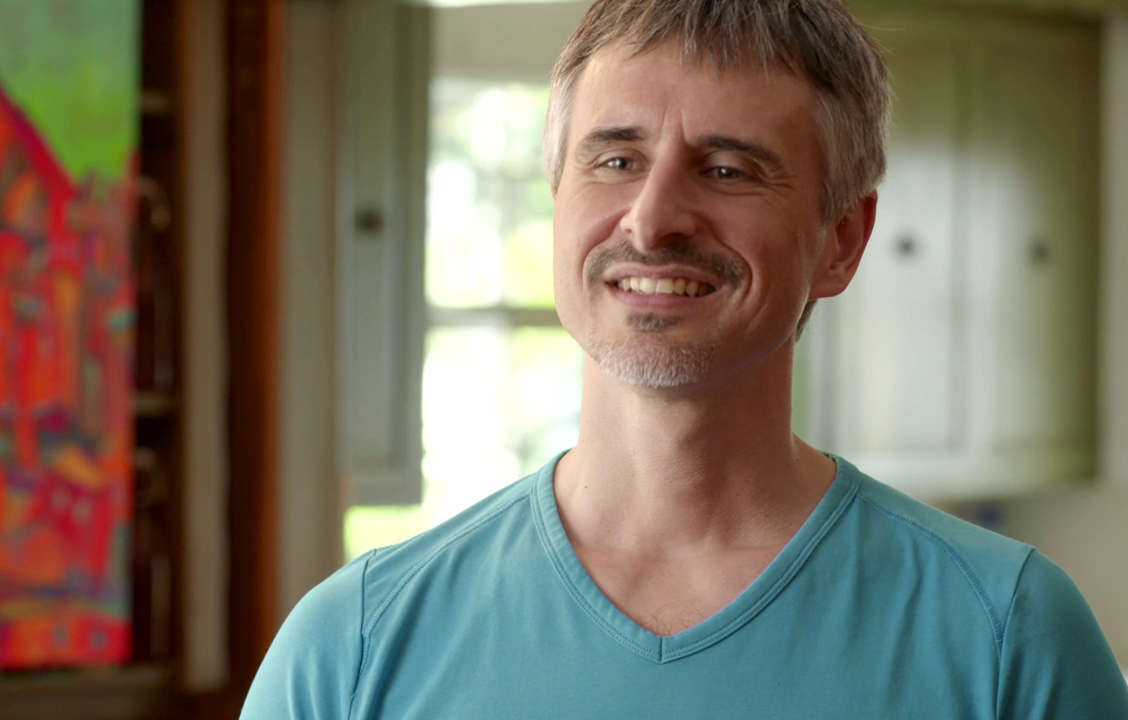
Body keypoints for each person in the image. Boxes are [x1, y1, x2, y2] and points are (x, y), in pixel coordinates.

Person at [241, 0, 1128, 717]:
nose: (653, 217)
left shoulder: (1010, 636)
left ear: (842, 241)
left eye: (729, 170)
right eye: (616, 159)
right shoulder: (352, 647)